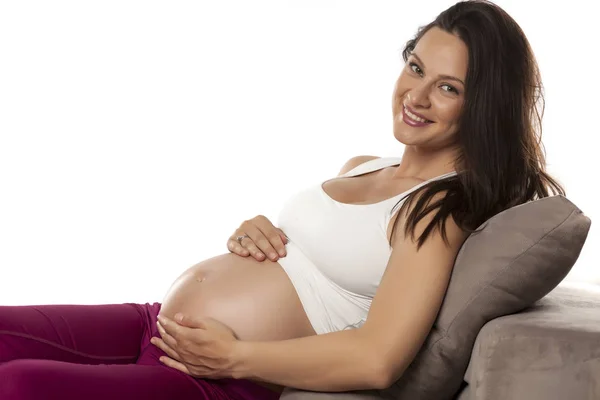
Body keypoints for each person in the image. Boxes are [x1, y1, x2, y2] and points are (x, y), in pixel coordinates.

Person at [0, 1, 566, 399]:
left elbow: (378, 358)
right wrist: (256, 231)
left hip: (219, 378)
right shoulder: (363, 166)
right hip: (157, 325)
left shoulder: (438, 212)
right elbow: (312, 265)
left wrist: (234, 358)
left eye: (448, 87)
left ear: (483, 105)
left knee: (19, 386)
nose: (415, 95)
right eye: (415, 66)